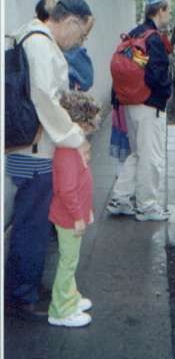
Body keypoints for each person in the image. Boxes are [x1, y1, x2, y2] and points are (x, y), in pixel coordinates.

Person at [5, 0, 94, 318]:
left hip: (30, 148)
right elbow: (45, 99)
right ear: (70, 21)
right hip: (35, 151)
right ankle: (22, 297)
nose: (80, 41)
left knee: (34, 223)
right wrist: (74, 137)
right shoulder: (41, 44)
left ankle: (26, 287)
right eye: (82, 32)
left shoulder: (31, 37)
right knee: (32, 225)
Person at [107, 0, 172, 222]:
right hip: (148, 106)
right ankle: (147, 206)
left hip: (129, 103)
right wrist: (165, 94)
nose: (169, 15)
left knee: (137, 153)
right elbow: (157, 76)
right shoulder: (153, 38)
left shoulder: (135, 33)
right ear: (160, 11)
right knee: (151, 156)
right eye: (168, 10)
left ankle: (120, 198)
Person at [48, 91, 100, 328]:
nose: (91, 130)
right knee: (68, 262)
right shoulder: (68, 152)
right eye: (89, 126)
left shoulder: (71, 147)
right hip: (69, 218)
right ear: (78, 123)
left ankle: (70, 297)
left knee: (71, 259)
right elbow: (67, 191)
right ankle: (61, 310)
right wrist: (79, 216)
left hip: (71, 216)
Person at [35, 0, 94, 92]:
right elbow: (46, 103)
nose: (80, 43)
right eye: (81, 36)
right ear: (71, 23)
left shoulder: (40, 39)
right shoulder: (42, 46)